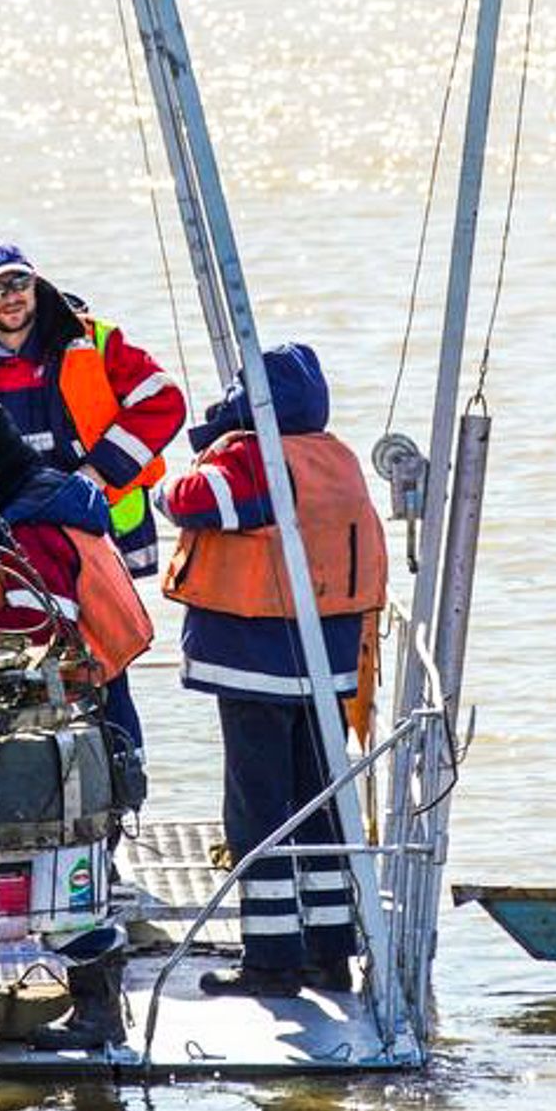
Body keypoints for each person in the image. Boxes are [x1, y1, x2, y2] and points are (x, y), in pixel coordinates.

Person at [0, 403, 149, 1051]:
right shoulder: (52, 500)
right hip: (92, 714)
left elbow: (37, 625)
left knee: (56, 873)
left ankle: (99, 1016)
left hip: (64, 731)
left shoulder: (26, 526)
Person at [158, 343, 388, 997]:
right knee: (318, 805)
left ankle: (270, 960)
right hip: (325, 668)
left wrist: (163, 487)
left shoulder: (255, 455)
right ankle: (329, 952)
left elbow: (200, 502)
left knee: (256, 810)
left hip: (258, 662)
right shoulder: (332, 455)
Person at [0, 241, 186, 577]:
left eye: (20, 283)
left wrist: (97, 473)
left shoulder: (93, 342)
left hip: (91, 529)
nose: (11, 297)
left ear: (36, 284)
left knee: (96, 627)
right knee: (4, 624)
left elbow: (163, 401)